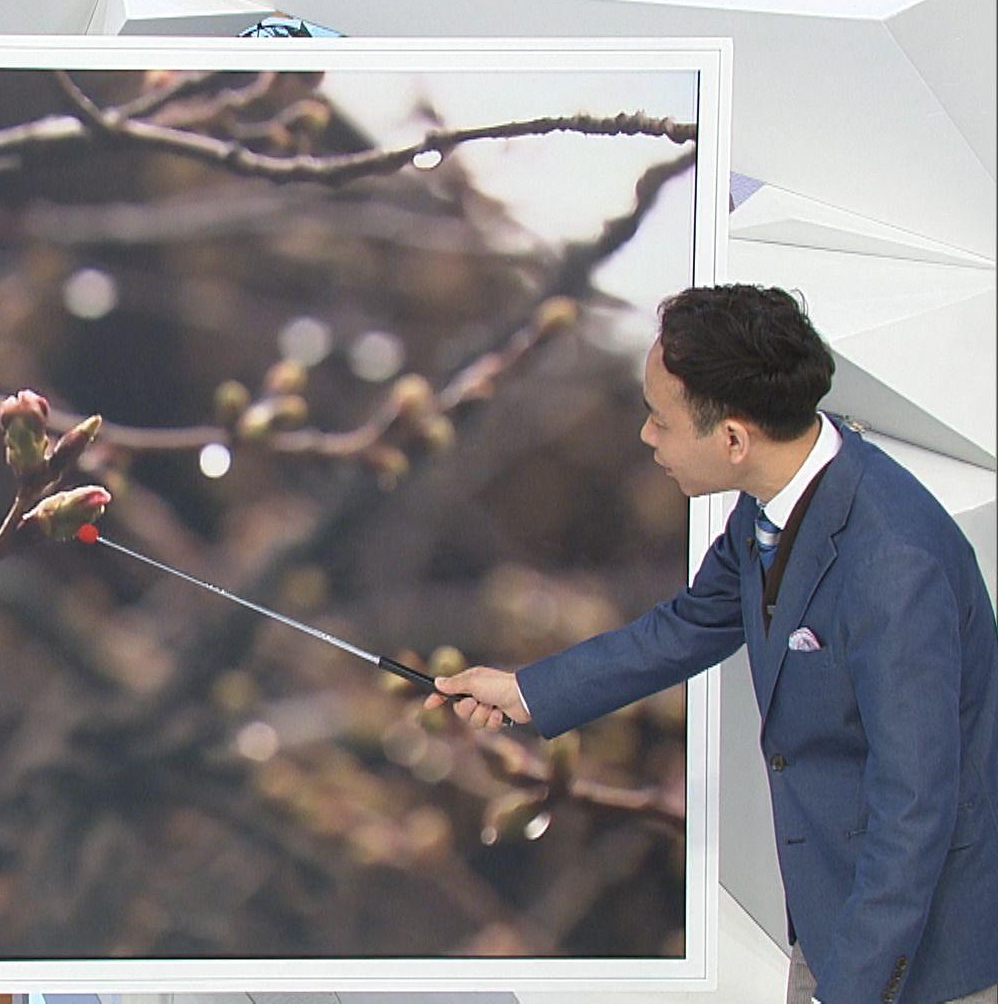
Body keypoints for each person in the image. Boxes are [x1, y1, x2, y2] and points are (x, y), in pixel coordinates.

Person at [427, 285, 997, 1004]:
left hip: (921, 958)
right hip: (838, 919)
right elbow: (691, 625)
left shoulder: (893, 565)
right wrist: (526, 692)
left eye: (659, 421)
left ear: (731, 438)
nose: (646, 438)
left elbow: (915, 810)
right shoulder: (783, 497)